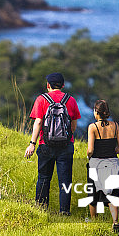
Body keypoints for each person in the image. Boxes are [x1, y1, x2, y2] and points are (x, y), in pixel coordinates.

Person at [25, 72, 80, 214]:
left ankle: (42, 209)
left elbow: (38, 122)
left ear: (48, 85)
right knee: (65, 181)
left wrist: (32, 143)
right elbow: (73, 126)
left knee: (43, 178)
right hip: (66, 146)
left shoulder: (41, 99)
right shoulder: (71, 100)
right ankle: (64, 212)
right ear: (62, 85)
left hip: (45, 145)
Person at [86, 99, 119, 234]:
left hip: (96, 163)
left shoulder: (92, 127)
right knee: (113, 195)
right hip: (113, 163)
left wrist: (89, 156)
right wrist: (111, 152)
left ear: (96, 112)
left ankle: (94, 221)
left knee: (93, 193)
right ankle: (115, 222)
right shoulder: (115, 126)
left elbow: (90, 150)